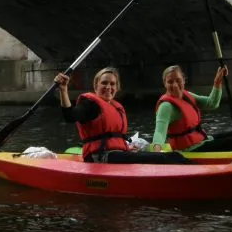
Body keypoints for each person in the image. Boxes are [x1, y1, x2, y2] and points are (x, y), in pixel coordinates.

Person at [55, 67, 192, 164]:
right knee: (167, 157)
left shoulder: (115, 107)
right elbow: (70, 116)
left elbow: (115, 138)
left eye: (112, 84)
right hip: (100, 156)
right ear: (96, 85)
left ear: (117, 87)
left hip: (115, 154)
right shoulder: (90, 105)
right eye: (104, 83)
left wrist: (125, 148)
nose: (108, 87)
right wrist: (63, 90)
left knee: (169, 156)